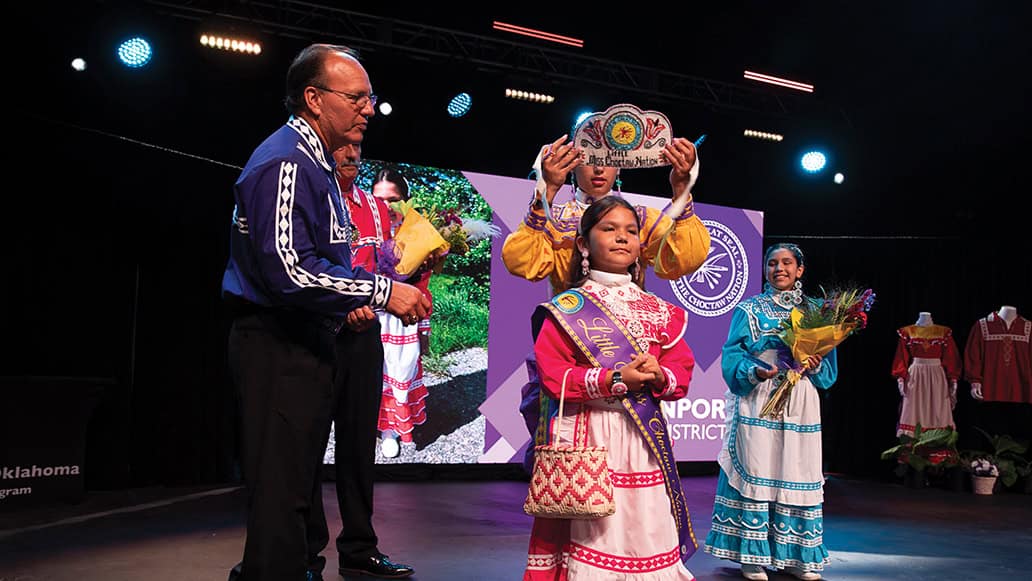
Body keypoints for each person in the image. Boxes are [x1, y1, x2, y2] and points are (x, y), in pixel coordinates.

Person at [221, 43, 425, 581]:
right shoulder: (288, 160)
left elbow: (321, 260)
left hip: (306, 339)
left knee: (298, 485)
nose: (367, 108)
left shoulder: (317, 166)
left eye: (370, 98)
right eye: (356, 97)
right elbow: (288, 270)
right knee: (282, 494)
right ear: (313, 98)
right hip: (276, 342)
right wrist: (382, 292)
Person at [504, 133, 712, 469]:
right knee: (568, 477)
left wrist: (682, 190)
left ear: (624, 165)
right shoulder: (554, 218)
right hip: (573, 349)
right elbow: (520, 262)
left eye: (610, 159)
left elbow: (684, 259)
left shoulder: (640, 219)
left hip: (630, 352)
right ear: (571, 163)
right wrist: (545, 191)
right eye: (589, 157)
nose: (600, 167)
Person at [524, 196, 698, 580]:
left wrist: (656, 373)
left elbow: (680, 370)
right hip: (591, 438)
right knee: (596, 535)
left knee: (646, 530)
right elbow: (554, 376)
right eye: (609, 229)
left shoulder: (659, 309)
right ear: (584, 244)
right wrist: (616, 380)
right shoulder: (568, 307)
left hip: (643, 441)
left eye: (631, 231)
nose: (622, 238)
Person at [702, 243, 838, 581]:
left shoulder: (817, 311)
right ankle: (752, 555)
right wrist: (755, 370)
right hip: (760, 396)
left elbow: (829, 374)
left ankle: (793, 555)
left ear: (800, 269)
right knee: (758, 468)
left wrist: (816, 365)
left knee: (796, 469)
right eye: (773, 263)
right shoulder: (749, 310)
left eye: (787, 263)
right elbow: (732, 356)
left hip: (800, 399)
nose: (780, 268)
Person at [370, 168, 435, 458]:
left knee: (401, 373)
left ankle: (395, 428)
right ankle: (382, 428)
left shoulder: (417, 233)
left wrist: (424, 327)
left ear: (406, 201)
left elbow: (423, 286)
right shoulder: (361, 229)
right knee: (375, 375)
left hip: (402, 322)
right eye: (378, 199)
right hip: (370, 317)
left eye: (393, 199)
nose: (386, 207)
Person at [890, 311, 961, 436]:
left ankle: (937, 440)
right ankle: (912, 443)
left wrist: (953, 378)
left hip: (937, 374)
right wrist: (900, 377)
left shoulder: (943, 332)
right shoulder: (908, 331)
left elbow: (951, 356)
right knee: (914, 406)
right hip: (915, 374)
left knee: (938, 405)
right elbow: (901, 356)